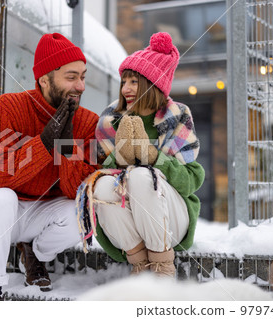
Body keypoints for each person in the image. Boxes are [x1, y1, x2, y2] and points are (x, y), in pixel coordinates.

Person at [0, 33, 99, 300]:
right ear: (44, 79)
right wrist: (45, 143)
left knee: (85, 210)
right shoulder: (7, 107)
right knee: (1, 198)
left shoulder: (88, 122)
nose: (81, 86)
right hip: (2, 212)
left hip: (45, 214)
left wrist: (66, 146)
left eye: (83, 76)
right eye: (71, 77)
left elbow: (77, 189)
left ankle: (35, 254)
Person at [76, 32, 205, 277]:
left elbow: (191, 181)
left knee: (140, 177)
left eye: (134, 82)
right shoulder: (111, 118)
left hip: (171, 220)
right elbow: (96, 172)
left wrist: (154, 158)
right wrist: (120, 157)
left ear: (152, 84)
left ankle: (162, 265)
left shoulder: (176, 116)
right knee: (103, 186)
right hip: (129, 225)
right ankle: (140, 263)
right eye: (123, 82)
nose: (126, 89)